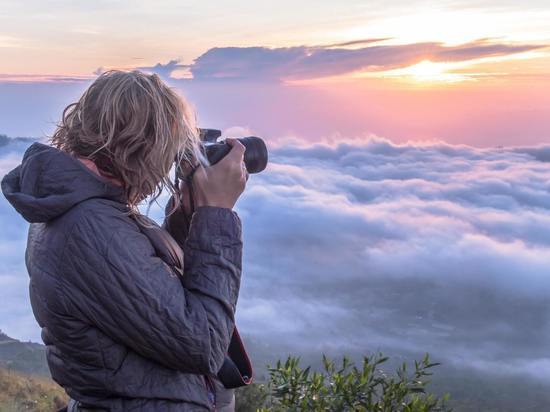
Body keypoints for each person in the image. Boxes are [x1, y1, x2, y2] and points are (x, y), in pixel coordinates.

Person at [1, 70, 248, 411]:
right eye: (169, 148)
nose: (166, 165)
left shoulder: (87, 208)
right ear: (143, 144)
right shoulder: (88, 226)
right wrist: (216, 216)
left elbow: (150, 291)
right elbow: (203, 343)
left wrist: (185, 221)